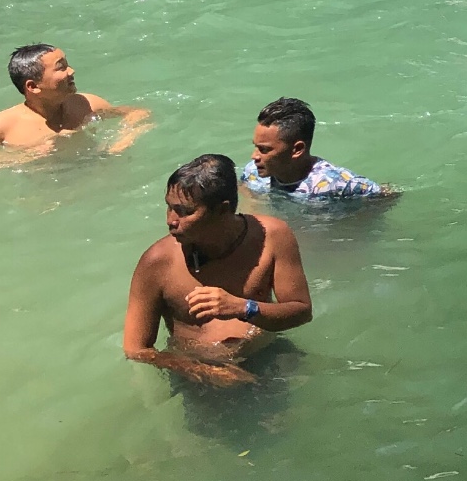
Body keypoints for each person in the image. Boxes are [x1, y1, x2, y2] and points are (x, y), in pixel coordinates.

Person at [124, 154, 312, 387]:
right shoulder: (157, 262)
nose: (171, 220)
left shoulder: (274, 236)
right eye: (169, 208)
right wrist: (199, 370)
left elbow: (301, 311)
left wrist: (242, 307)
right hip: (199, 379)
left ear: (222, 211)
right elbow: (136, 349)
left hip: (268, 359)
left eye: (184, 211)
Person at [0, 43, 151, 157]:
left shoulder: (86, 104)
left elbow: (138, 113)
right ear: (33, 86)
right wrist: (25, 156)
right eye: (61, 68)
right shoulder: (3, 126)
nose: (71, 71)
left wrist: (124, 138)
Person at [242, 96, 396, 203]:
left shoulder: (337, 184)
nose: (254, 156)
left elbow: (387, 196)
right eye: (255, 146)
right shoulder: (252, 174)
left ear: (297, 149)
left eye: (264, 149)